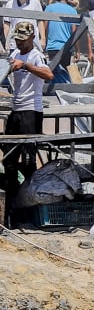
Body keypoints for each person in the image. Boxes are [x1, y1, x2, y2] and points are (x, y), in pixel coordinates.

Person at [3, 22, 52, 206]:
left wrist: (27, 66)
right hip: (16, 109)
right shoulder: (14, 54)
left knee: (29, 157)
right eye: (17, 39)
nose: (20, 43)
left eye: (23, 40)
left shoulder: (36, 56)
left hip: (31, 110)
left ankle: (32, 200)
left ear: (32, 38)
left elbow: (49, 75)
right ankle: (13, 197)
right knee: (9, 157)